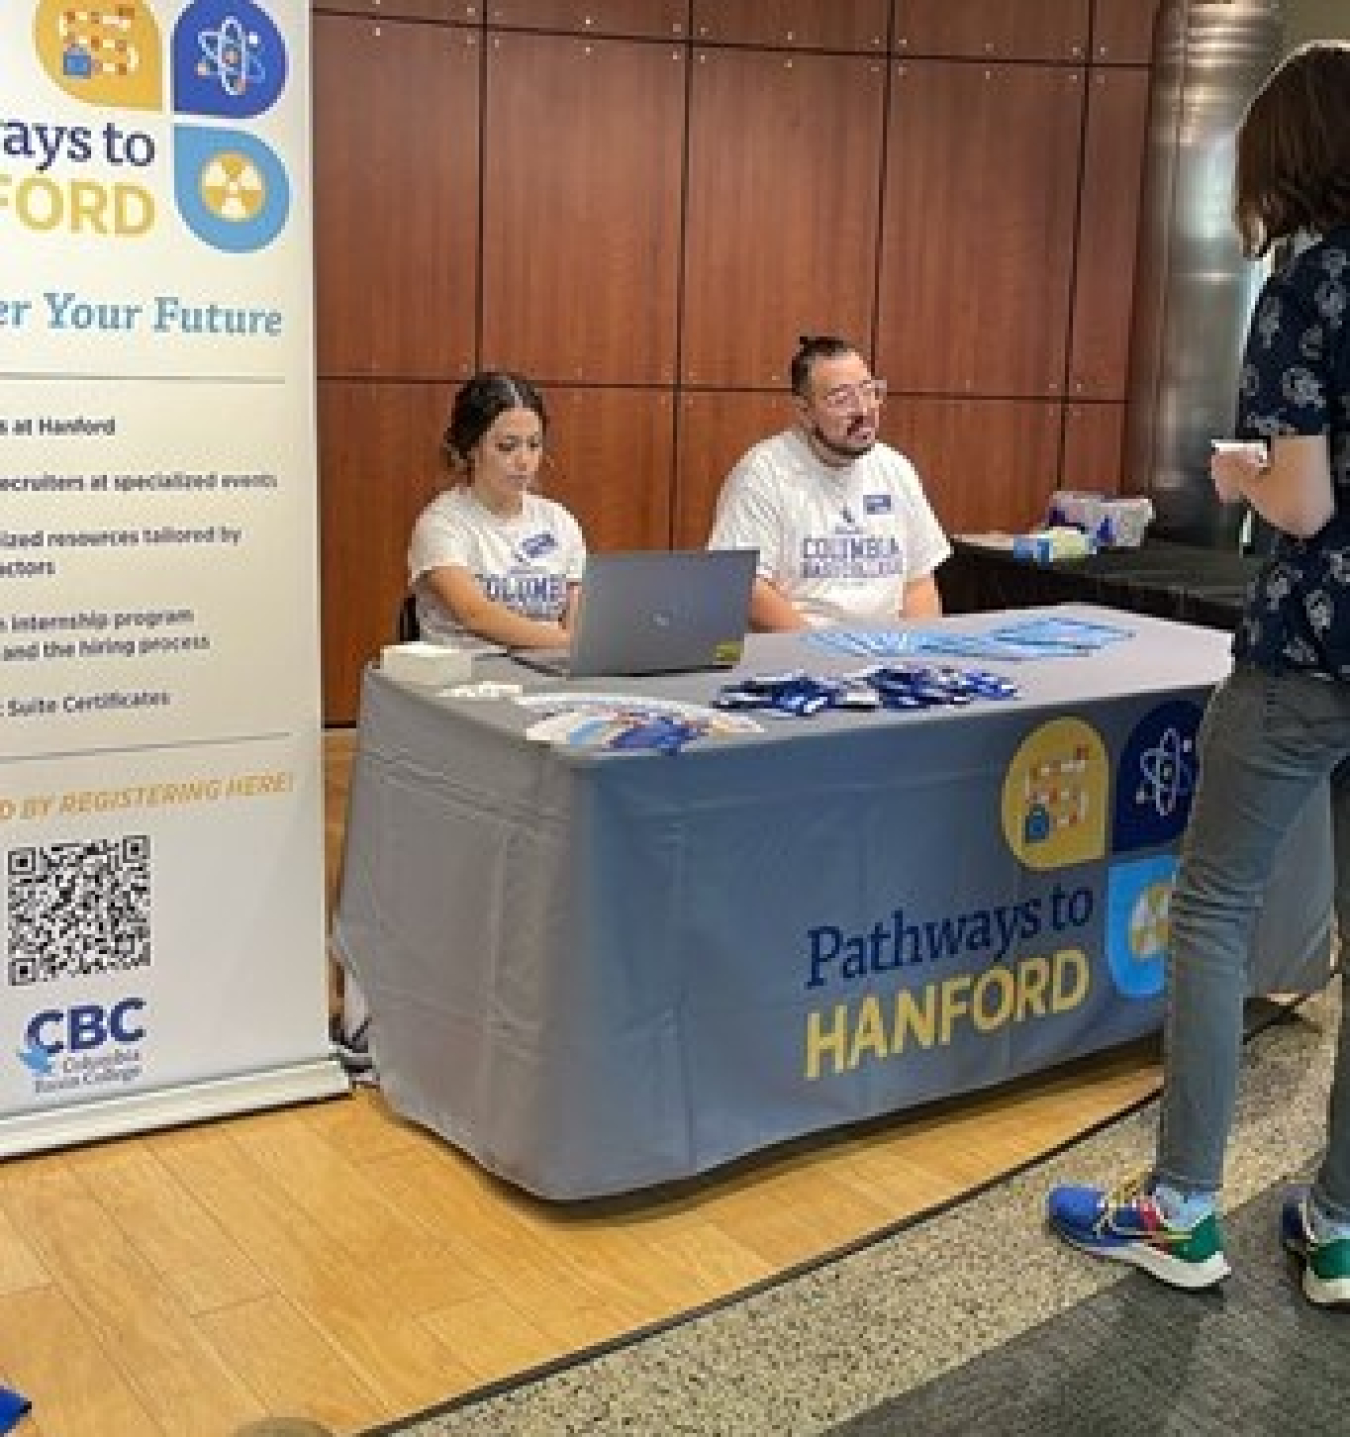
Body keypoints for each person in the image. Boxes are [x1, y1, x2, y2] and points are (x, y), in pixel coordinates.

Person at [1046, 40, 1350, 1307]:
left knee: (1214, 909)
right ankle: (1337, 1228)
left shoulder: (1309, 284)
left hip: (1307, 657)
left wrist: (1239, 475)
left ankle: (1179, 1213)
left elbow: (1303, 498)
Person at [705, 335, 950, 630]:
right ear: (804, 412)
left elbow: (918, 581)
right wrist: (820, 652)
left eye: (869, 391)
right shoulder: (764, 473)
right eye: (842, 399)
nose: (864, 410)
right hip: (799, 657)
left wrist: (917, 653)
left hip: (886, 655)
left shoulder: (895, 468)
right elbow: (747, 586)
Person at [408, 369, 586, 650]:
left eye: (534, 445)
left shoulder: (559, 521)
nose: (524, 460)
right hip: (468, 680)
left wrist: (577, 643)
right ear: (471, 449)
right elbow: (476, 615)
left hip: (551, 675)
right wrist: (570, 643)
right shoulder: (441, 524)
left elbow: (581, 616)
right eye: (507, 447)